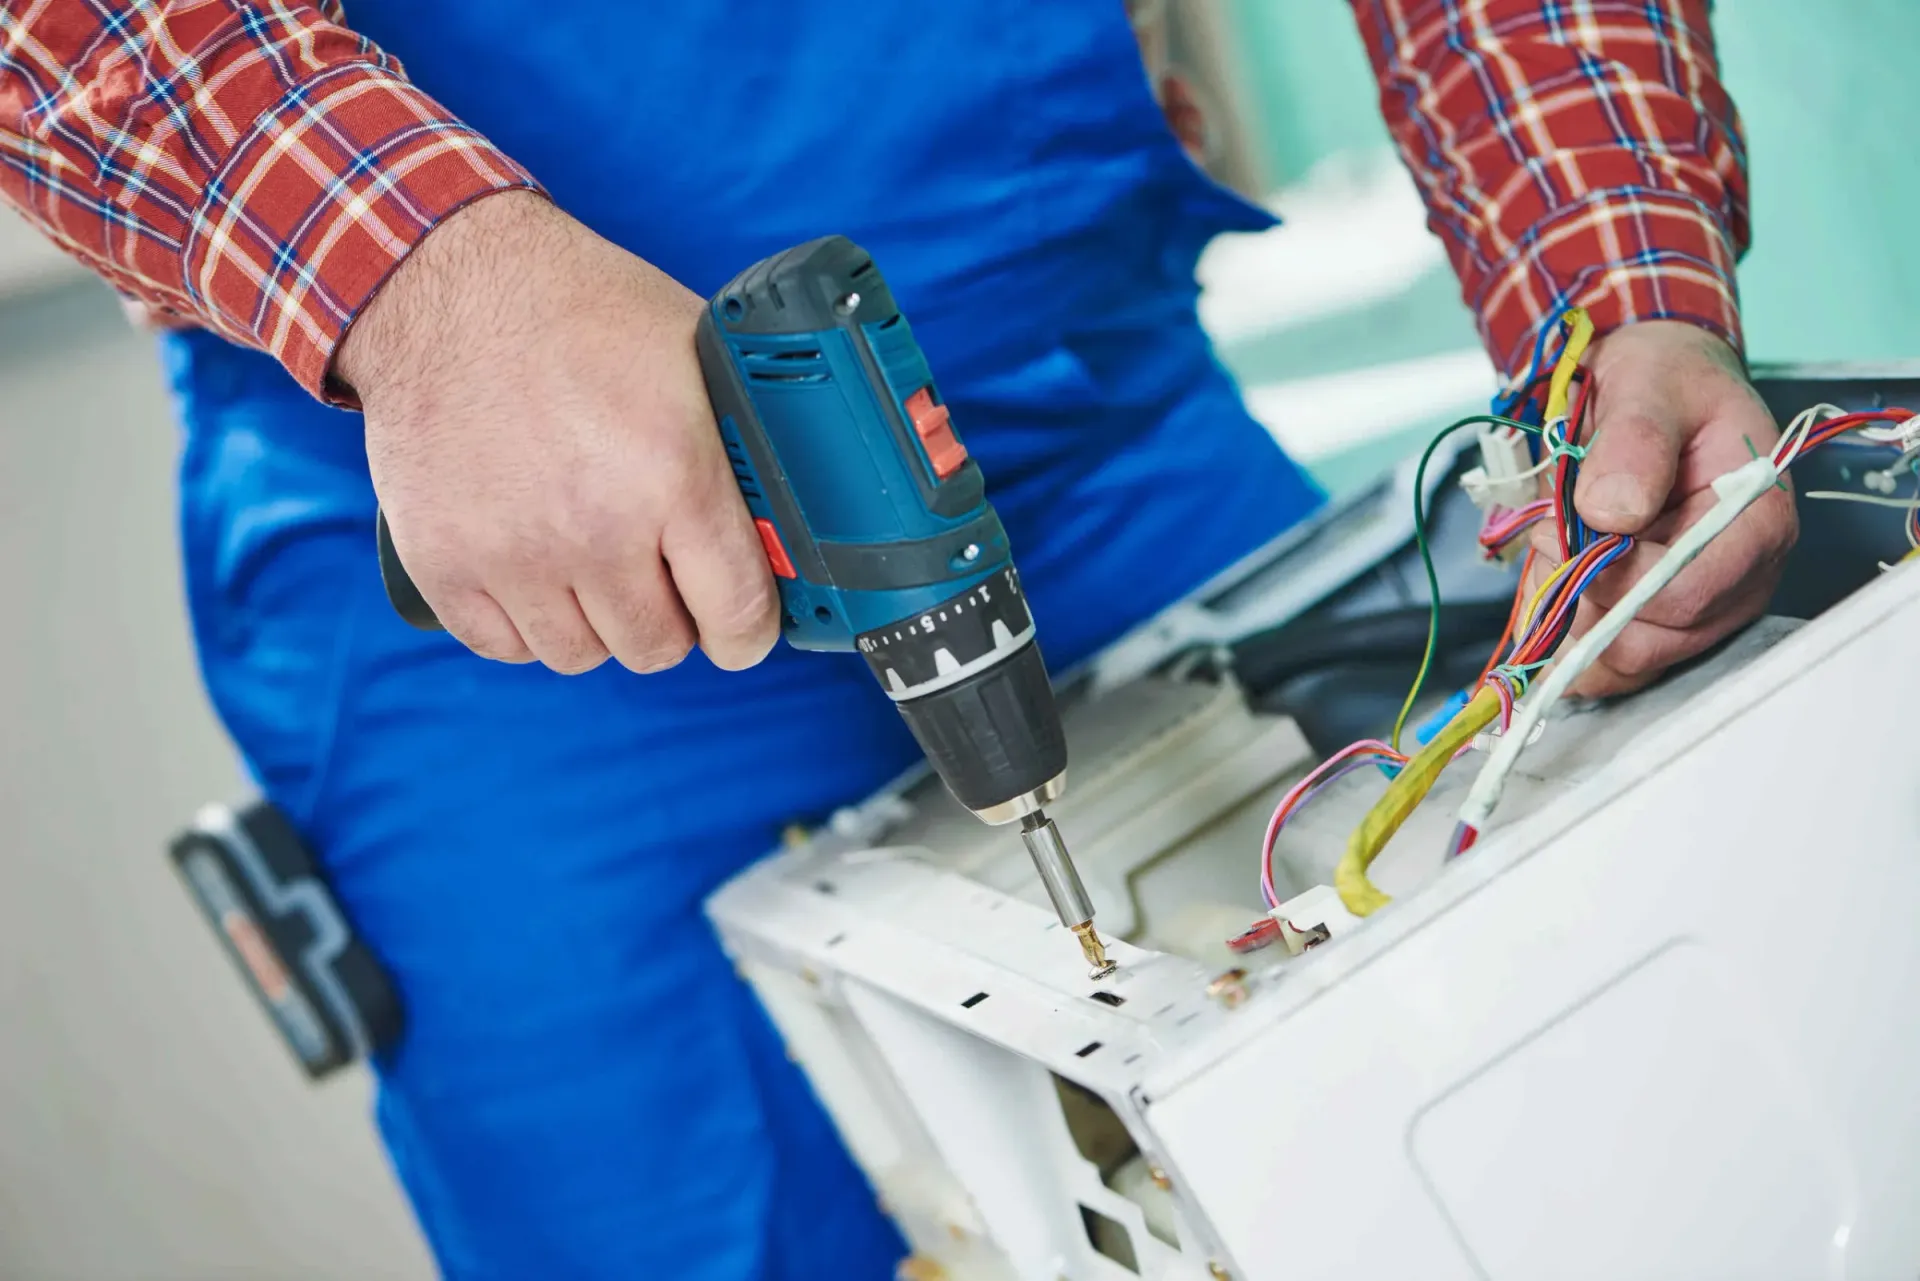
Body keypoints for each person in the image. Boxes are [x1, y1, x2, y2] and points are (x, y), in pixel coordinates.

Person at [1, 2, 1791, 1276]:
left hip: (1081, 393)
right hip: (505, 560)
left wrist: (1617, 284)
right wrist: (420, 280)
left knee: (1465, 1096)